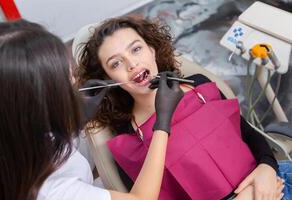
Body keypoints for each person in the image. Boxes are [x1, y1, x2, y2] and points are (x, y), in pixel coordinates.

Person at [76, 16, 291, 200]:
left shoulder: (198, 84)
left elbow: (248, 134)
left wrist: (267, 167)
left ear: (151, 50)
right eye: (116, 63)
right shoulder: (127, 140)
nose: (132, 64)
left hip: (273, 182)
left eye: (136, 49)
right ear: (108, 79)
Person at [0, 19, 184, 200]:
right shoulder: (52, 191)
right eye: (66, 80)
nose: (75, 81)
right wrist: (162, 121)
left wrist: (73, 124)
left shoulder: (9, 125)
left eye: (136, 49)